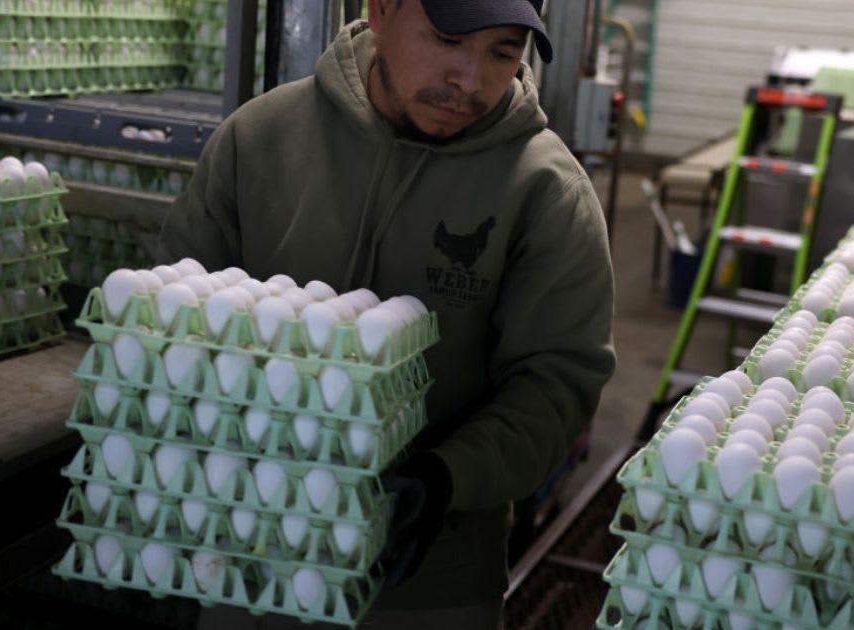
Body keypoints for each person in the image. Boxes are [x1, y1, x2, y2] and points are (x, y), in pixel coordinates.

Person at [163, 0, 615, 627]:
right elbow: (173, 321)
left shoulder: (546, 191)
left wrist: (445, 478)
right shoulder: (259, 138)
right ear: (380, 11)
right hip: (250, 557)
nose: (470, 78)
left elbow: (557, 383)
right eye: (446, 37)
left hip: (427, 580)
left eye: (502, 52)